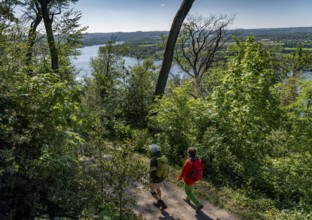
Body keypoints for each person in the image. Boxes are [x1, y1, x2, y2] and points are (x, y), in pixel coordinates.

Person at [177, 147, 204, 213]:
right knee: (189, 188)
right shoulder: (198, 159)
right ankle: (187, 199)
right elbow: (201, 168)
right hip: (196, 178)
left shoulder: (188, 162)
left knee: (187, 190)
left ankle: (198, 204)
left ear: (188, 153)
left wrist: (179, 178)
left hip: (189, 179)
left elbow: (183, 171)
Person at [149, 144, 168, 209]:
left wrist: (151, 179)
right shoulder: (163, 157)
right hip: (162, 177)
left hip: (156, 178)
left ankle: (161, 203)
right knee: (157, 188)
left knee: (152, 191)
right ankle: (158, 203)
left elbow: (152, 171)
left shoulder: (153, 159)